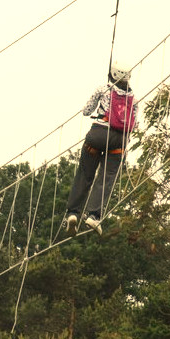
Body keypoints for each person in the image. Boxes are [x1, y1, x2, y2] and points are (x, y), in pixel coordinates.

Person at [65, 61, 139, 236]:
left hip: (98, 135)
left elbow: (86, 111)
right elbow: (135, 125)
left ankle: (73, 213)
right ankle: (93, 215)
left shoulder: (102, 89)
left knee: (85, 174)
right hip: (119, 141)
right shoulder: (133, 99)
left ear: (111, 74)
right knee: (106, 179)